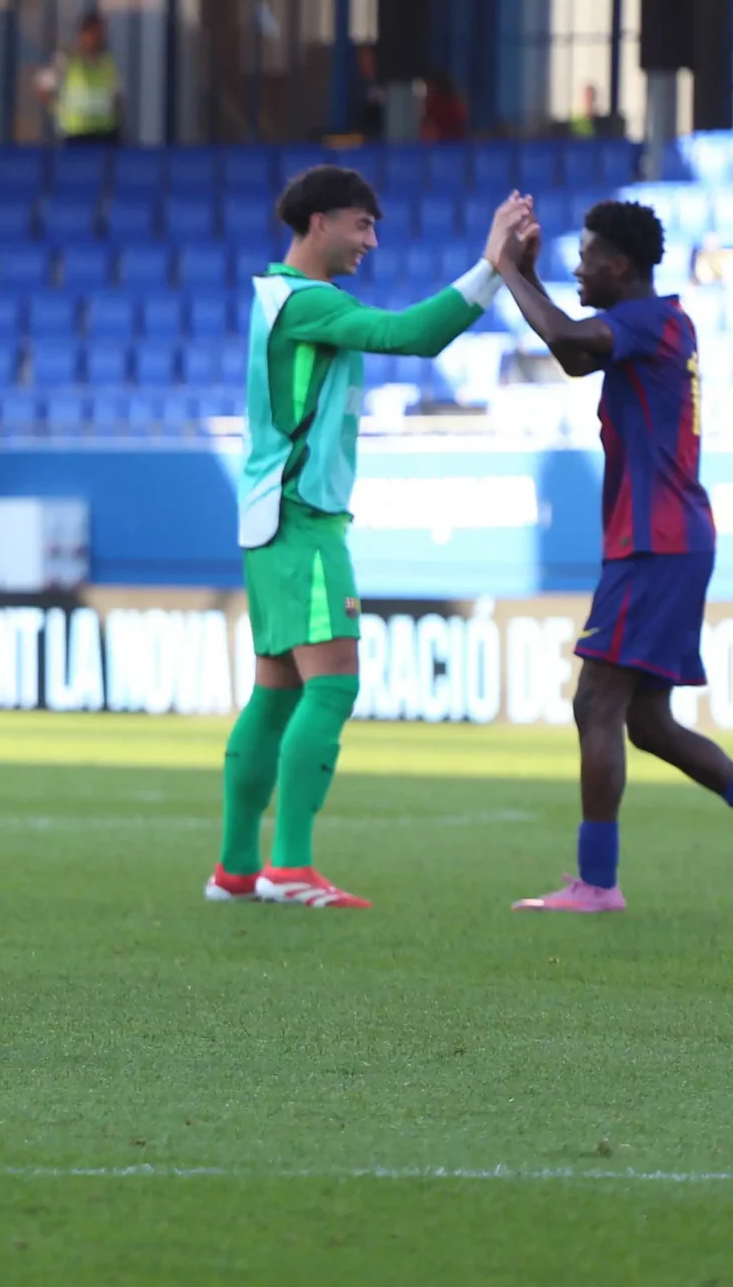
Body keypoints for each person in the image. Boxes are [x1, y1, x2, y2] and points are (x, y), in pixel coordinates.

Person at [212, 167, 526, 910]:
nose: (372, 241)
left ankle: (235, 869)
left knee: (277, 693)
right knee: (335, 682)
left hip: (272, 517)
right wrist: (492, 268)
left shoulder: (284, 299)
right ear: (319, 222)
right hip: (302, 519)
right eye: (362, 225)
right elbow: (412, 336)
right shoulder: (308, 302)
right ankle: (288, 867)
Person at [490, 199, 733, 911]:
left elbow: (566, 335)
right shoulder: (658, 322)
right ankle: (597, 880)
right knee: (648, 721)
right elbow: (571, 354)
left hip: (654, 540)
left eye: (586, 255)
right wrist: (526, 274)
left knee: (596, 699)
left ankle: (597, 883)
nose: (577, 267)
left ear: (618, 265)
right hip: (667, 536)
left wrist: (508, 267)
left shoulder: (646, 321)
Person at [35, 12, 123, 147]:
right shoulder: (67, 59)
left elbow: (117, 98)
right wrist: (59, 111)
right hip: (76, 135)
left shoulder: (107, 63)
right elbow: (42, 87)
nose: (99, 37)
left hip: (106, 134)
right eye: (95, 32)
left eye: (101, 33)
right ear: (83, 33)